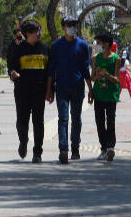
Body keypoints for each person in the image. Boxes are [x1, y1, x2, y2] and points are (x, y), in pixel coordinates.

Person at [46, 17, 93, 165]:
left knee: (76, 118)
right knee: (63, 118)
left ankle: (75, 149)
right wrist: (49, 90)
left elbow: (86, 69)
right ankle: (63, 149)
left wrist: (91, 89)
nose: (72, 27)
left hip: (78, 87)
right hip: (61, 87)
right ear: (63, 28)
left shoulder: (83, 45)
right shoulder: (56, 46)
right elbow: (51, 70)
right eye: (69, 25)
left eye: (74, 25)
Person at [8, 20, 49, 163]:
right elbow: (11, 68)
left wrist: (50, 90)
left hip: (39, 92)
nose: (39, 34)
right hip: (22, 91)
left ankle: (37, 152)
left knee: (39, 122)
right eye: (36, 31)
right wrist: (13, 74)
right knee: (22, 122)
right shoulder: (19, 50)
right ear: (27, 34)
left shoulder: (44, 48)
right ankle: (23, 141)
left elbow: (49, 72)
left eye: (40, 30)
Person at [91, 34, 121, 162]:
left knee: (111, 121)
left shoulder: (116, 59)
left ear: (107, 44)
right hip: (98, 95)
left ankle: (110, 147)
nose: (97, 45)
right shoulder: (95, 58)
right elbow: (92, 77)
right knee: (99, 122)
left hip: (111, 95)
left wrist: (106, 74)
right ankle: (103, 148)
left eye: (99, 43)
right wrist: (97, 76)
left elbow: (116, 79)